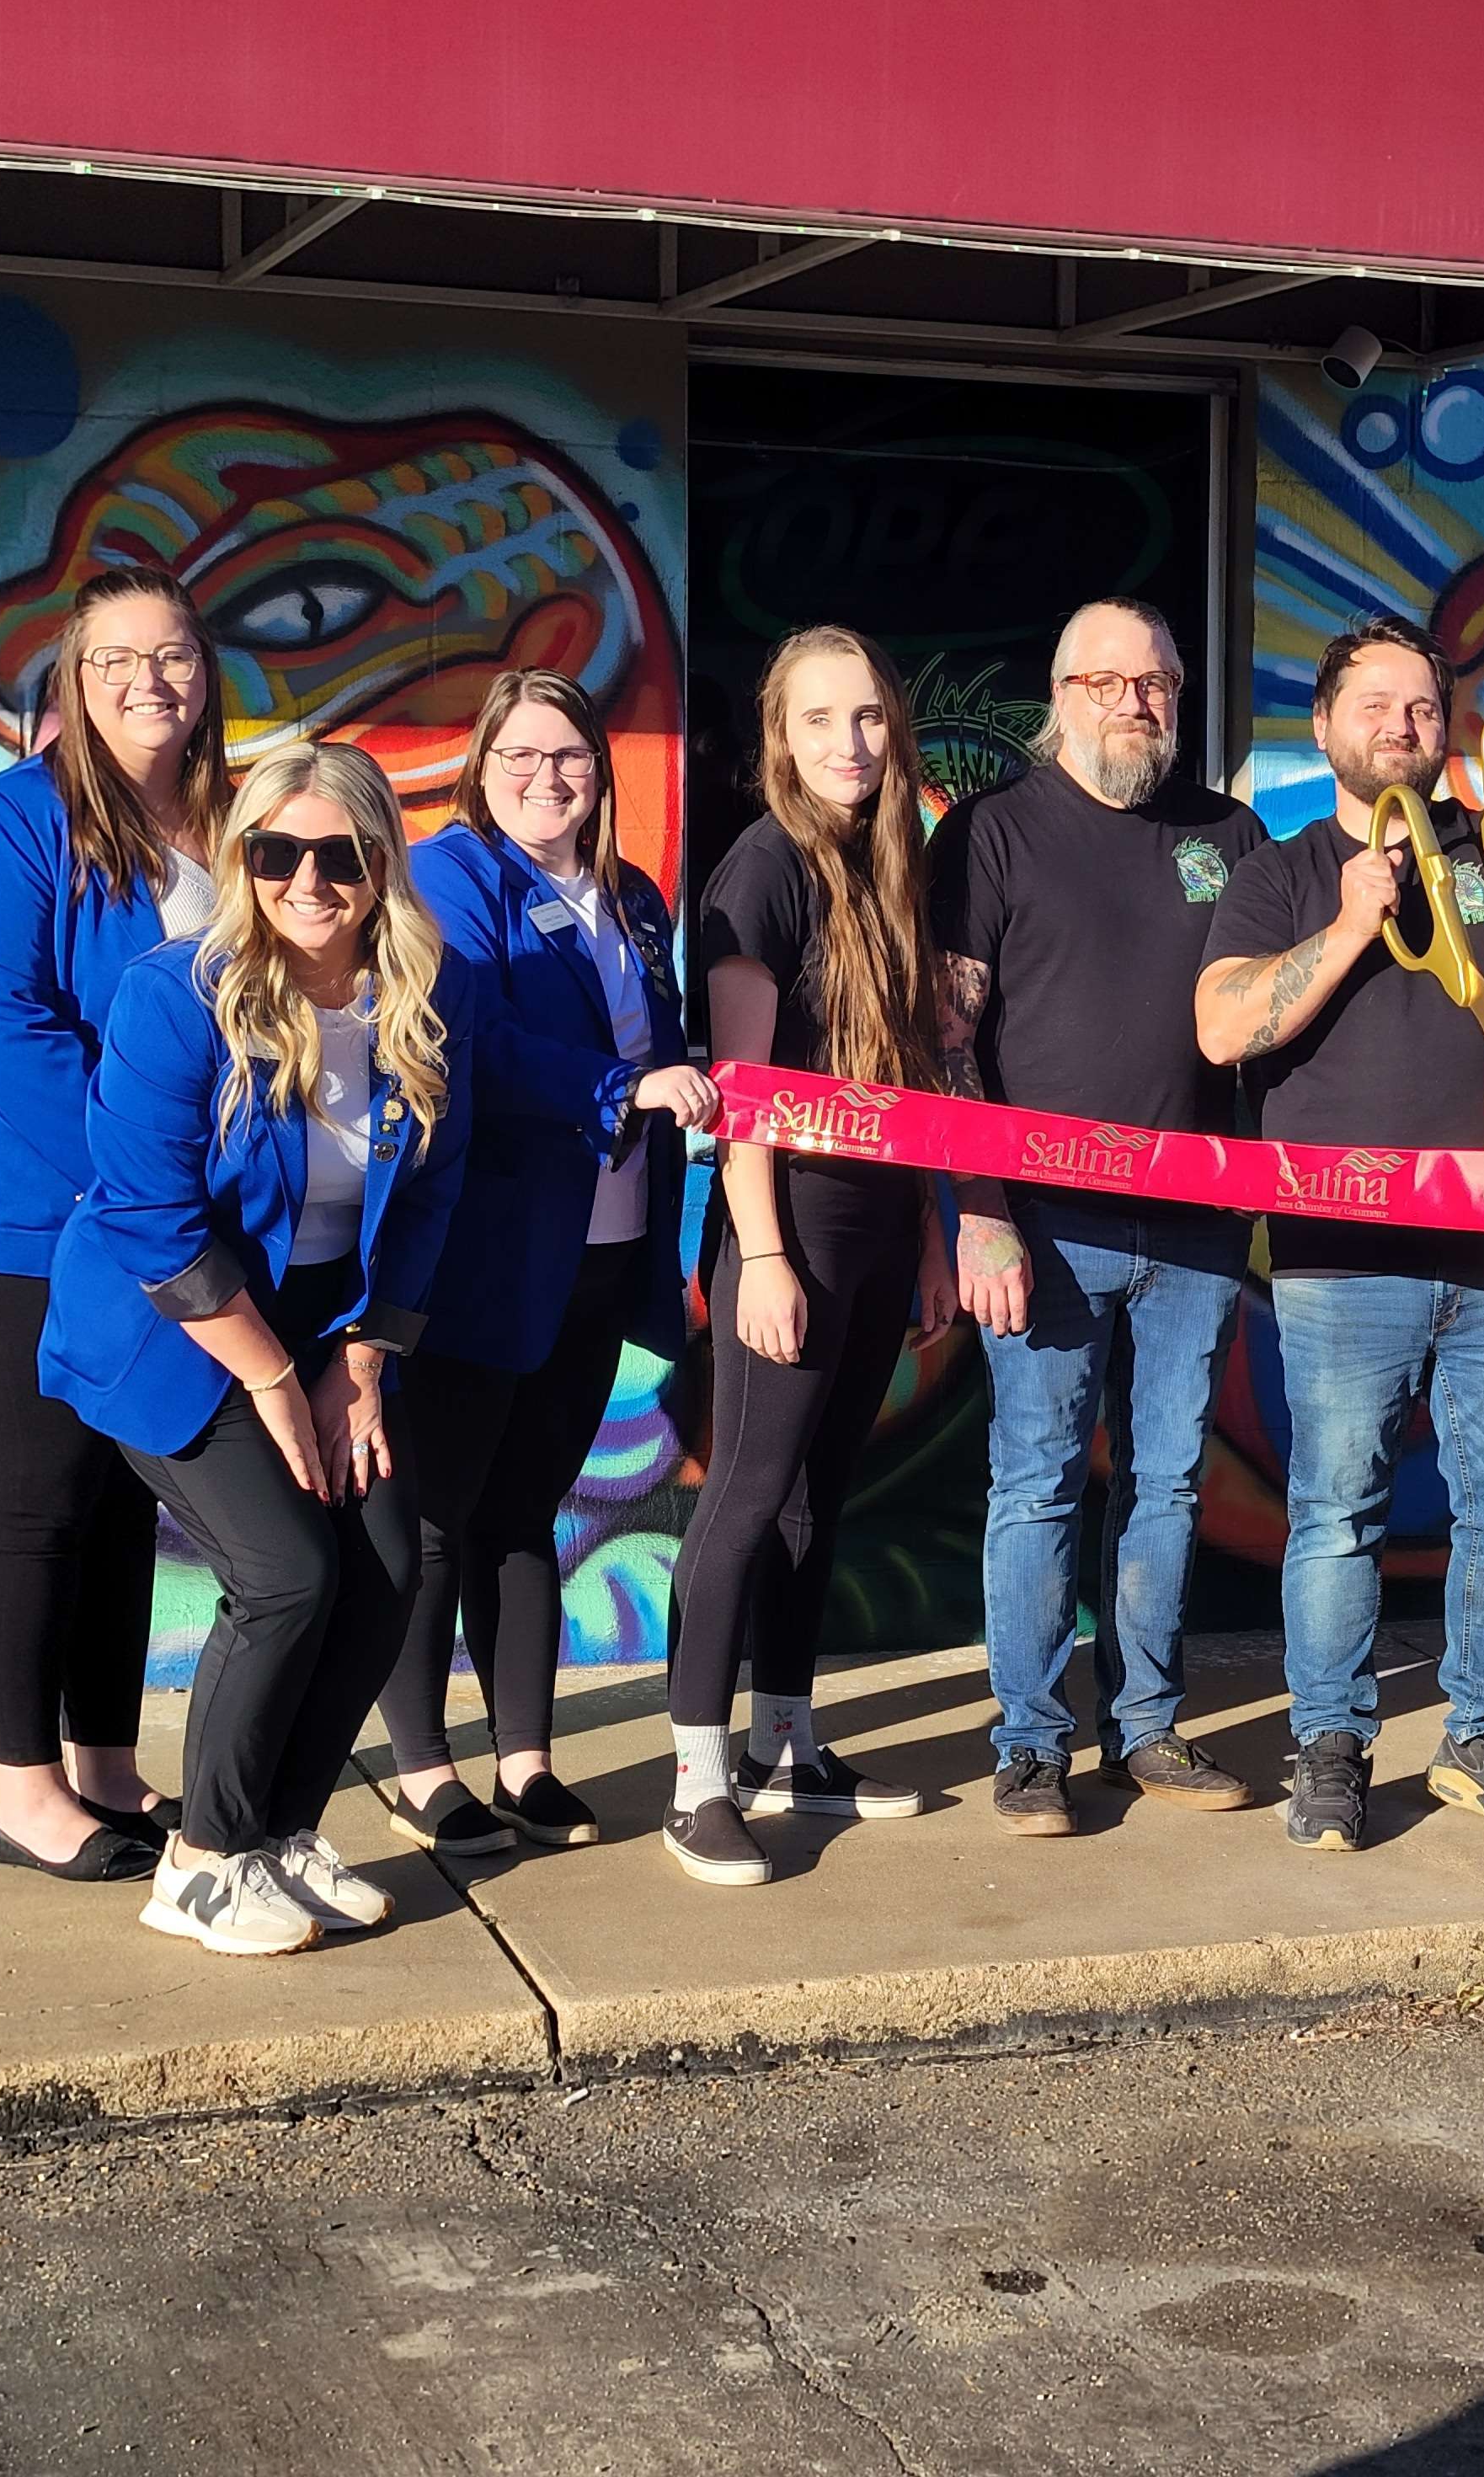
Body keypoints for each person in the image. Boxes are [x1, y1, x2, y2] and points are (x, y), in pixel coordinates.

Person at [1195, 614, 1484, 1853]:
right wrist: (1344, 924)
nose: (1404, 725)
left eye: (1425, 709)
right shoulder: (1280, 870)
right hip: (1342, 1262)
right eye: (1376, 704)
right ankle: (1330, 1745)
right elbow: (1225, 1029)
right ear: (1325, 726)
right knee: (1337, 1511)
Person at [42, 740, 474, 1957]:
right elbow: (147, 1216)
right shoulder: (176, 995)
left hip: (323, 1329)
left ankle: (280, 1833)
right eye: (277, 852)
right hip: (169, 1332)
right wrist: (278, 1380)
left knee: (387, 1568)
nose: (307, 879)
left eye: (338, 855)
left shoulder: (422, 1006)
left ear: (381, 866)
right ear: (244, 862)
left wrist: (364, 1361)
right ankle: (203, 1860)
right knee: (288, 1573)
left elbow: (430, 1202)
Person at [0, 565, 232, 1884]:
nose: (148, 682)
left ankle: (103, 1765)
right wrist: (150, 1177)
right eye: (115, 661)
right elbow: (7, 1034)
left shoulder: (235, 821)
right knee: (39, 1500)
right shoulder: (7, 822)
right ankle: (22, 1794)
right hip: (25, 1230)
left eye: (171, 656)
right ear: (73, 681)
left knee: (117, 1504)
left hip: (162, 1221)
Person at [930, 600, 1268, 1838]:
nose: (1139, 703)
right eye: (1111, 682)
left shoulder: (1229, 834)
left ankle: (1147, 1729)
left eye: (1160, 683)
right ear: (1061, 695)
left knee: (1169, 1483)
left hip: (1197, 1226)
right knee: (1037, 1485)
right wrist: (980, 1213)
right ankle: (1030, 1745)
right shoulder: (989, 836)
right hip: (1046, 1228)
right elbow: (947, 1043)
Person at [374, 671, 721, 1859]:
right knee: (436, 1518)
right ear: (481, 765)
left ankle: (525, 1762)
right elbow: (476, 1038)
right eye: (518, 756)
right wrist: (617, 1088)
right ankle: (425, 1771)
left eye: (568, 755)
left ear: (599, 769)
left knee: (528, 1513)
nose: (544, 778)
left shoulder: (631, 895)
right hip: (485, 1257)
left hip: (605, 1250)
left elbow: (664, 1042)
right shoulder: (451, 878)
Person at [666, 627, 958, 1888]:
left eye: (871, 720)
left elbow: (922, 1077)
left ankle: (790, 1742)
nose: (850, 744)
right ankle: (697, 1780)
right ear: (778, 738)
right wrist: (767, 1253)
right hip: (791, 1225)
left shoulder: (892, 866)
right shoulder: (762, 869)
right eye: (821, 720)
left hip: (884, 1223)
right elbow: (742, 1094)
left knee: (811, 1502)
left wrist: (937, 1231)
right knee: (741, 1503)